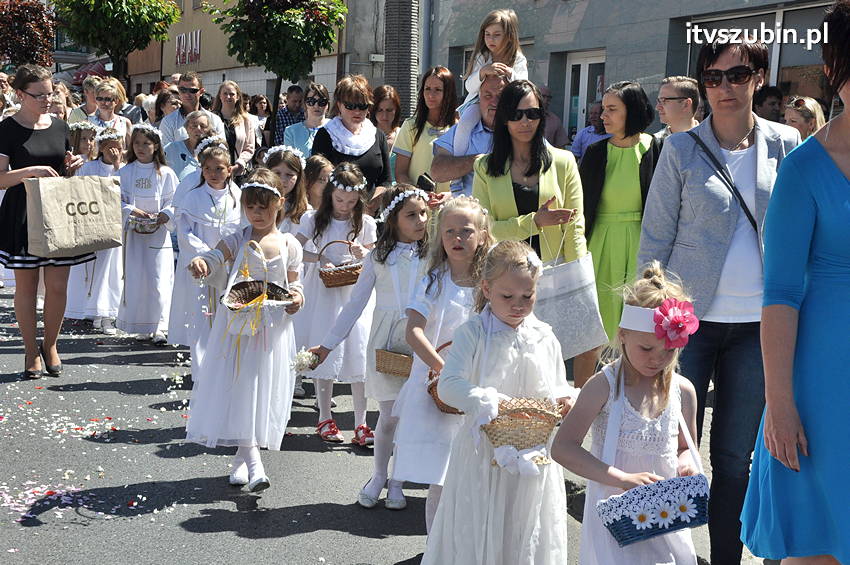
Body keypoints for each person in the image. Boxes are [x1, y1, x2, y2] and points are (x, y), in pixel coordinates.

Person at [638, 39, 800, 565]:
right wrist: (642, 322)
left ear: (758, 78)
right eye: (712, 78)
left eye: (736, 76)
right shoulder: (679, 149)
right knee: (670, 449)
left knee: (734, 458)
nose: (723, 88)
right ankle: (661, 555)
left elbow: (803, 235)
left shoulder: (788, 143)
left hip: (759, 327)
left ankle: (724, 559)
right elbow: (654, 244)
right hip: (689, 324)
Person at [741, 3, 850, 563]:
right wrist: (779, 402)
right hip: (820, 379)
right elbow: (780, 294)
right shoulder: (805, 167)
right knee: (815, 539)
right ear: (838, 74)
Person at [423, 241, 575, 565]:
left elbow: (559, 383)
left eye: (527, 296)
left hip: (535, 452)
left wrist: (563, 399)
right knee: (483, 527)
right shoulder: (474, 332)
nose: (518, 305)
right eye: (508, 296)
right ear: (487, 288)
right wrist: (486, 398)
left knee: (526, 528)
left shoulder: (545, 336)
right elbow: (449, 385)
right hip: (484, 456)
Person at [552, 262, 701, 565]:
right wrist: (621, 478)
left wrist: (687, 464)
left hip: (665, 517)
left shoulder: (683, 391)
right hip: (615, 519)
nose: (657, 359)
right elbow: (563, 448)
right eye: (646, 348)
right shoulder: (603, 386)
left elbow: (687, 448)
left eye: (668, 351)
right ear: (622, 335)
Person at [309, 186, 430, 510]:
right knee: (389, 416)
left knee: (411, 415)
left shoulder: (434, 254)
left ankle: (398, 481)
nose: (420, 220)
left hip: (423, 342)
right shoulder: (378, 256)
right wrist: (328, 344)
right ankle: (379, 475)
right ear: (392, 219)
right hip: (388, 342)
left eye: (423, 213)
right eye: (411, 215)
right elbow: (355, 305)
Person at [185, 180, 305, 493]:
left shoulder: (289, 244)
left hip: (272, 329)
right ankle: (255, 465)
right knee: (242, 388)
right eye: (250, 207)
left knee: (259, 392)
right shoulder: (239, 238)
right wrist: (202, 262)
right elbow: (215, 255)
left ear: (279, 204)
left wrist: (295, 300)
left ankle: (241, 458)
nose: (256, 213)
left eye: (263, 207)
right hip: (238, 329)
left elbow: (295, 284)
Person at [393, 195, 494, 533]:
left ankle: (465, 546)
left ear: (481, 235)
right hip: (437, 386)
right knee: (441, 475)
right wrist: (443, 369)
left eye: (466, 231)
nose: (457, 238)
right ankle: (436, 548)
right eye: (449, 231)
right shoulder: (434, 280)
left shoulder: (490, 285)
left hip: (478, 383)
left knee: (475, 474)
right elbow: (414, 331)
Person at [0, 64, 87, 379]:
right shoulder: (7, 129)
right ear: (20, 94)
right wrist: (29, 172)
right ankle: (29, 350)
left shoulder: (60, 125)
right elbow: (0, 180)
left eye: (50, 93)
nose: (47, 100)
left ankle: (50, 345)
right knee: (26, 287)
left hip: (56, 210)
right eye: (39, 95)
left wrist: (71, 165)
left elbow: (61, 167)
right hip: (22, 211)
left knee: (58, 285)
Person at [577, 81, 661, 386]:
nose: (603, 115)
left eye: (612, 109)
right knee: (592, 331)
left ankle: (633, 399)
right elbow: (582, 206)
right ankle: (581, 400)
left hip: (643, 246)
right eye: (604, 109)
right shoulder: (596, 151)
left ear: (633, 111)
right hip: (600, 243)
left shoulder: (655, 148)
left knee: (641, 329)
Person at [295, 163, 377, 444]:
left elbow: (376, 257)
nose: (344, 206)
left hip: (355, 292)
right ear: (330, 195)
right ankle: (324, 417)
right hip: (324, 291)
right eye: (339, 200)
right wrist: (318, 257)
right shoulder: (314, 219)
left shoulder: (365, 223)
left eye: (351, 202)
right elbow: (294, 249)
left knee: (359, 351)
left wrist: (362, 251)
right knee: (323, 348)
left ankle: (361, 423)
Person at [472, 80, 585, 264]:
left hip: (554, 272)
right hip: (505, 273)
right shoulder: (484, 167)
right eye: (516, 114)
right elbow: (483, 229)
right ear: (504, 118)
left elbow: (575, 229)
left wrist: (579, 279)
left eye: (533, 113)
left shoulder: (564, 162)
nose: (525, 121)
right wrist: (534, 222)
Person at [168, 139, 241, 383]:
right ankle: (201, 371)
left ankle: (223, 368)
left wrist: (223, 256)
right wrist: (207, 255)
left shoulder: (236, 195)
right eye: (208, 168)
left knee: (224, 315)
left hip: (227, 264)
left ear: (229, 169)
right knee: (202, 316)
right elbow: (185, 230)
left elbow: (242, 229)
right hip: (200, 264)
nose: (213, 173)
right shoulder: (194, 196)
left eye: (219, 168)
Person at [116, 124, 177, 344]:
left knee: (159, 280)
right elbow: (116, 198)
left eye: (146, 143)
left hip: (158, 234)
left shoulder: (166, 173)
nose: (141, 147)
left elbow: (174, 202)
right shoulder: (125, 171)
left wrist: (164, 215)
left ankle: (160, 326)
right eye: (137, 143)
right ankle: (142, 323)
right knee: (137, 278)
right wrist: (131, 210)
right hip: (134, 233)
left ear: (156, 145)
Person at [65, 129, 125, 335]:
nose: (113, 151)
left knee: (110, 270)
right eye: (109, 147)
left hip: (115, 226)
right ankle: (89, 309)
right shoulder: (89, 167)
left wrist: (117, 166)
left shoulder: (124, 169)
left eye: (117, 146)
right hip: (92, 223)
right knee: (90, 268)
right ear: (101, 148)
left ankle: (106, 311)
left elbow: (124, 191)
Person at [311, 75, 392, 215]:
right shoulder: (325, 135)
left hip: (370, 215)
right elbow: (317, 180)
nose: (357, 111)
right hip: (334, 215)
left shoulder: (377, 135)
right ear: (339, 105)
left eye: (362, 105)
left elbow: (385, 180)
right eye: (350, 105)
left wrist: (371, 205)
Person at [453, 9, 527, 155]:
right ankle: (457, 162)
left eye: (496, 35)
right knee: (465, 122)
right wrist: (482, 72)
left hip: (508, 106)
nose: (491, 39)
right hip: (479, 103)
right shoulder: (483, 57)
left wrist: (510, 73)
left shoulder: (517, 59)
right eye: (487, 34)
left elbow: (524, 87)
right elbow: (469, 87)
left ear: (509, 36)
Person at [431, 74, 508, 197]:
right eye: (488, 96)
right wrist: (479, 161)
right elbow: (437, 171)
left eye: (501, 96)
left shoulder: (521, 131)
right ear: (479, 99)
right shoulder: (462, 130)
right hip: (469, 212)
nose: (494, 102)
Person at [393, 67, 458, 196]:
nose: (430, 95)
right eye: (427, 89)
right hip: (417, 206)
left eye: (438, 90)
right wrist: (418, 193)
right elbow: (400, 173)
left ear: (448, 93)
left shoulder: (459, 128)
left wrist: (449, 196)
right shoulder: (410, 125)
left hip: (450, 207)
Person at [159, 72, 224, 146]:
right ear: (178, 90)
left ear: (201, 92)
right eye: (183, 90)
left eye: (192, 90)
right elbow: (167, 153)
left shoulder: (214, 120)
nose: (187, 94)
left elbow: (222, 150)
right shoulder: (168, 122)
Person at [212, 80, 256, 179]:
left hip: (239, 173)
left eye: (232, 94)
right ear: (219, 96)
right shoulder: (211, 118)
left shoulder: (246, 120)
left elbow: (250, 147)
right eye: (225, 93)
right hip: (216, 173)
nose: (228, 97)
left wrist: (238, 164)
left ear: (237, 97)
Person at [262, 146, 309, 236]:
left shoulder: (304, 211)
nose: (282, 179)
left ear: (298, 177)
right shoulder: (255, 203)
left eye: (289, 175)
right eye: (277, 173)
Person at [163, 111, 214, 181]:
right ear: (186, 128)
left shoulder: (214, 151)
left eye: (203, 126)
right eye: (194, 126)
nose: (198, 129)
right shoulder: (171, 149)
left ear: (208, 129)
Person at [282, 82, 329, 156]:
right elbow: (290, 164)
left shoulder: (337, 127)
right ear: (305, 104)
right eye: (311, 101)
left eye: (321, 102)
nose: (316, 106)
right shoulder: (291, 131)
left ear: (327, 105)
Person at [654, 76, 701, 141]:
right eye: (659, 101)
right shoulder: (653, 144)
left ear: (686, 104)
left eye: (663, 100)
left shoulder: (712, 142)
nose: (657, 107)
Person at [371, 85, 402, 182]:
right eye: (380, 110)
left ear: (396, 110)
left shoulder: (403, 135)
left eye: (389, 110)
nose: (384, 115)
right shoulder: (365, 136)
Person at [88, 81, 132, 146]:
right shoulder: (89, 122)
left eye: (107, 99)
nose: (103, 102)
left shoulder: (125, 122)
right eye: (99, 99)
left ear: (116, 101)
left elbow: (130, 150)